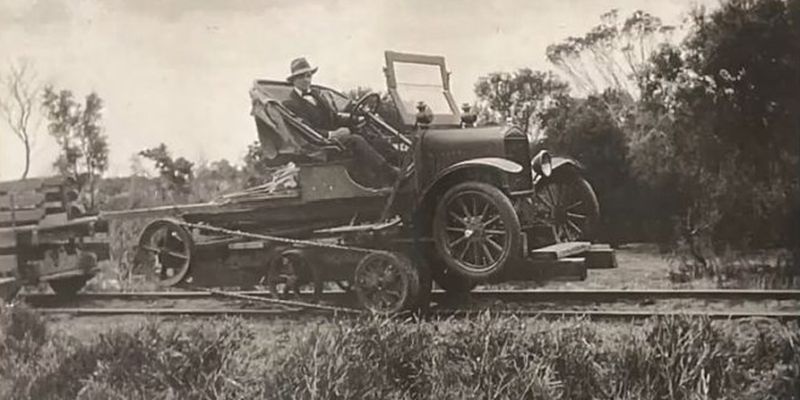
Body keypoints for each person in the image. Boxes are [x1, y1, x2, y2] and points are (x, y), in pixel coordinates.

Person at [282, 57, 399, 183]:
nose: (306, 80)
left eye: (308, 75)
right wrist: (332, 134)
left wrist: (355, 119)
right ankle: (389, 173)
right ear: (294, 80)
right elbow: (305, 130)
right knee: (355, 140)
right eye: (301, 77)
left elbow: (334, 117)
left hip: (335, 140)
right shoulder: (290, 104)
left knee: (367, 132)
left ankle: (400, 161)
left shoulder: (317, 95)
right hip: (318, 146)